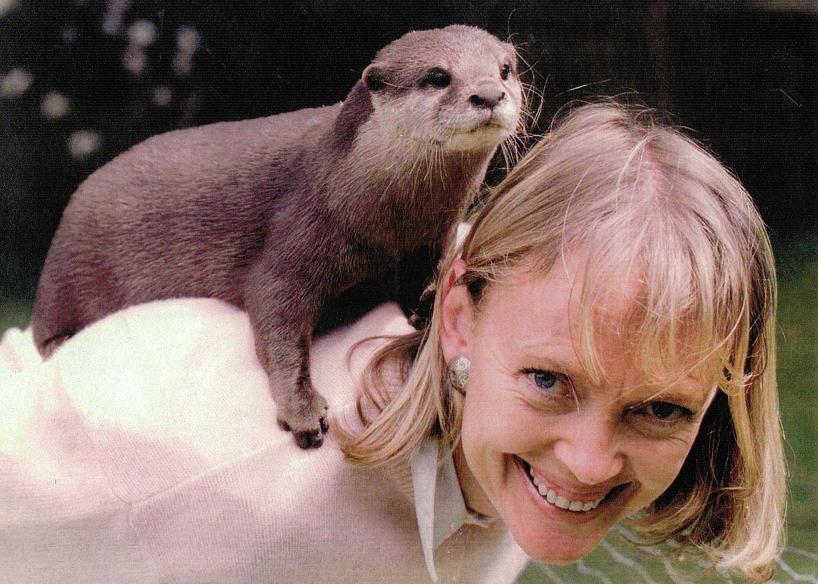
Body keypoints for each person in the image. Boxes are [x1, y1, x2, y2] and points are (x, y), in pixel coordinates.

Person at [0, 102, 784, 583]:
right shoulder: (237, 487)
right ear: (458, 318)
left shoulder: (511, 340)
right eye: (550, 382)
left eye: (658, 410)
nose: (588, 463)